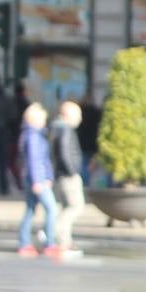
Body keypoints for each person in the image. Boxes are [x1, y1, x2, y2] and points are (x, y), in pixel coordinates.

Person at [16, 102, 59, 259]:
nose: (44, 121)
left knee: (30, 210)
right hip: (37, 179)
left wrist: (47, 177)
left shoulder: (31, 134)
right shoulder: (33, 136)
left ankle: (24, 243)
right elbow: (35, 160)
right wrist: (39, 180)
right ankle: (50, 243)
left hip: (35, 178)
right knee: (52, 209)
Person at [50, 100, 87, 256]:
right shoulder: (65, 129)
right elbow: (64, 152)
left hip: (59, 174)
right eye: (77, 114)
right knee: (75, 206)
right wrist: (72, 171)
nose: (80, 118)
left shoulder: (55, 128)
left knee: (65, 206)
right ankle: (60, 237)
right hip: (67, 175)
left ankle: (61, 238)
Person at [75, 94, 102, 186]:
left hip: (82, 146)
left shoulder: (81, 113)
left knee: (84, 169)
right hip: (92, 146)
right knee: (88, 169)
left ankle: (84, 186)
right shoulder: (96, 114)